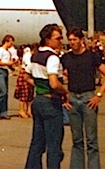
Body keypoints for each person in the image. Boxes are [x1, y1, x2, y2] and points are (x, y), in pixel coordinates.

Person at [61, 28, 105, 169]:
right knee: (76, 140)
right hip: (72, 98)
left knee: (91, 140)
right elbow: (58, 77)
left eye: (74, 39)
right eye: (70, 40)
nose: (72, 42)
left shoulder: (92, 56)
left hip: (88, 98)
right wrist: (63, 98)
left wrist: (99, 95)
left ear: (81, 40)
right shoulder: (66, 58)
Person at [24, 24, 68, 169]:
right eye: (58, 38)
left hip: (38, 101)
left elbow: (26, 75)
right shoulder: (52, 57)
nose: (61, 40)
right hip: (50, 102)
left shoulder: (36, 55)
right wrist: (65, 91)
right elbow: (54, 83)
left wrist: (38, 85)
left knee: (37, 143)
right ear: (48, 39)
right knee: (54, 145)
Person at [0, 34, 16, 119]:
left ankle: (3, 112)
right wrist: (7, 63)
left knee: (5, 93)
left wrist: (12, 66)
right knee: (3, 91)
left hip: (5, 71)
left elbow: (6, 63)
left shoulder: (8, 52)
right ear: (6, 41)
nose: (12, 44)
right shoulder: (0, 50)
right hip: (0, 71)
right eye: (11, 42)